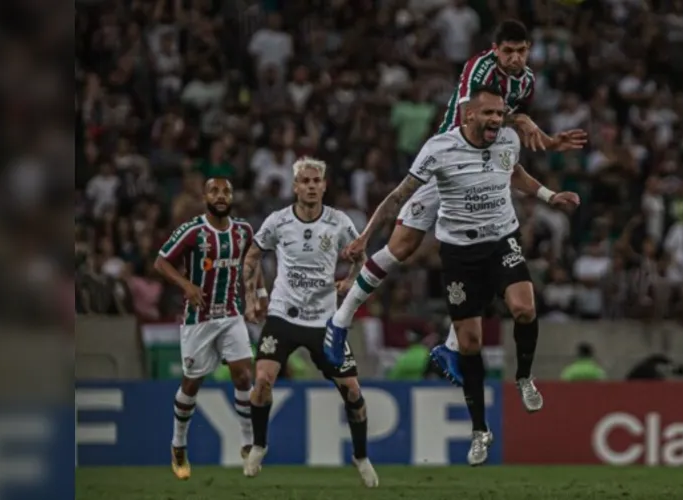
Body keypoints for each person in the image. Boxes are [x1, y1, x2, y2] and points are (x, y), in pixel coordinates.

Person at [324, 19, 586, 396]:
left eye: (521, 50)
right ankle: (340, 321)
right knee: (401, 248)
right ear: (495, 50)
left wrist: (548, 142)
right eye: (508, 51)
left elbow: (501, 132)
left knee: (481, 247)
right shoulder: (480, 68)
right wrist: (524, 118)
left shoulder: (526, 80)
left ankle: (448, 349)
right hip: (447, 162)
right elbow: (476, 111)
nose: (515, 58)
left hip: (482, 168)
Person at [335, 85, 579, 465]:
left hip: (502, 240)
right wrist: (366, 235)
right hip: (460, 254)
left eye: (501, 115)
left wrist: (550, 196)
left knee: (525, 308)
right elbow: (399, 196)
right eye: (490, 115)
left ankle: (524, 378)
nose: (497, 122)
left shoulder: (508, 140)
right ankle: (480, 430)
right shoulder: (439, 149)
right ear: (468, 116)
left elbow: (514, 173)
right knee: (469, 344)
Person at [240, 157, 378, 486]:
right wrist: (252, 296)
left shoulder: (339, 222)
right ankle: (259, 445)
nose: (312, 186)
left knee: (353, 392)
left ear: (324, 185)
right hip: (283, 315)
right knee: (262, 383)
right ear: (296, 186)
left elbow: (362, 257)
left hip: (324, 321)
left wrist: (350, 282)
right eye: (306, 181)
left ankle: (360, 456)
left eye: (317, 181)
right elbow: (252, 255)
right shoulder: (277, 222)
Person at [152, 177, 255, 480]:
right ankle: (178, 444)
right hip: (199, 319)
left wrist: (256, 294)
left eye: (226, 191)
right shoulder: (192, 231)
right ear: (205, 197)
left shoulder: (243, 231)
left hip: (232, 314)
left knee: (243, 373)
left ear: (233, 196)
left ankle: (248, 442)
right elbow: (161, 262)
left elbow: (252, 262)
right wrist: (186, 285)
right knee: (192, 384)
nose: (221, 196)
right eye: (214, 191)